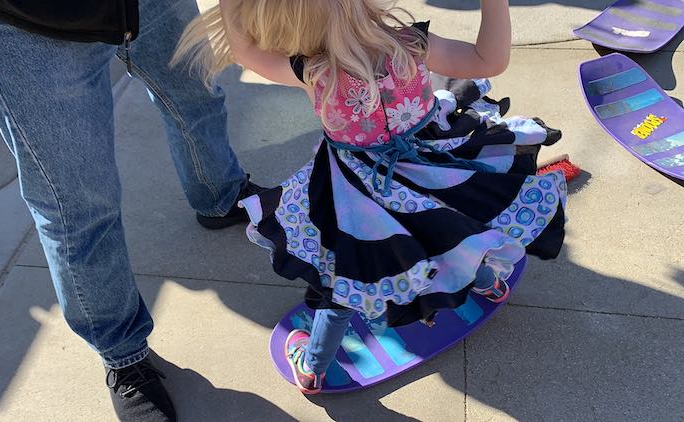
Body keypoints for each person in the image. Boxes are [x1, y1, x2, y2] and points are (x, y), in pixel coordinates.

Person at [177, 0, 567, 395]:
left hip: (356, 194)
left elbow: (244, 51)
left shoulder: (314, 70)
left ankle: (313, 368)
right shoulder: (411, 44)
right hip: (429, 171)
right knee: (449, 234)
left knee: (349, 275)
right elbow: (489, 60)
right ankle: (488, 283)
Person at [0, 0, 263, 419]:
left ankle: (220, 194)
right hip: (18, 19)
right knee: (78, 202)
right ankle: (123, 354)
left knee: (195, 88)